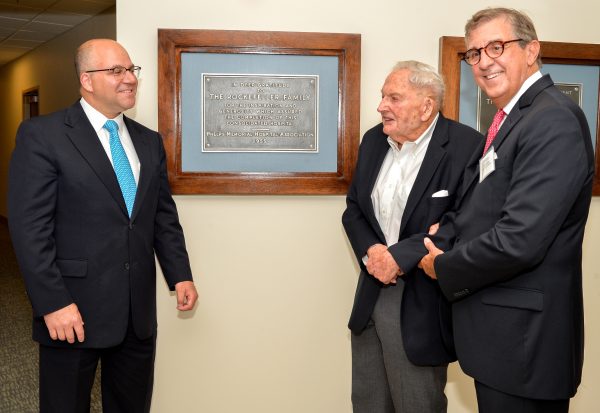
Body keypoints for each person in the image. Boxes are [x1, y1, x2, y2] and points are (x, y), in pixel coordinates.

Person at [8, 38, 198, 413]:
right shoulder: (43, 136)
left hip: (135, 314)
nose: (129, 78)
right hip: (71, 312)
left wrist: (180, 275)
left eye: (131, 70)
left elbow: (162, 215)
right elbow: (30, 229)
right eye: (116, 71)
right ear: (87, 80)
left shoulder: (148, 142)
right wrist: (53, 303)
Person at [419, 8, 594, 413]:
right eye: (474, 54)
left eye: (496, 47)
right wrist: (445, 233)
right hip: (503, 341)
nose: (484, 62)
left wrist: (442, 265)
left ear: (532, 50)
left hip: (525, 344)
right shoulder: (511, 118)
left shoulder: (553, 120)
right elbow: (485, 207)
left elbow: (520, 239)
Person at [342, 60, 482, 412]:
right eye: (382, 96)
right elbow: (354, 208)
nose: (381, 106)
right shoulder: (374, 140)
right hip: (372, 289)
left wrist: (399, 257)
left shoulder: (466, 146)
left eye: (394, 97)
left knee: (417, 404)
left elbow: (463, 221)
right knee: (368, 403)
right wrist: (373, 251)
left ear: (426, 106)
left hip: (422, 297)